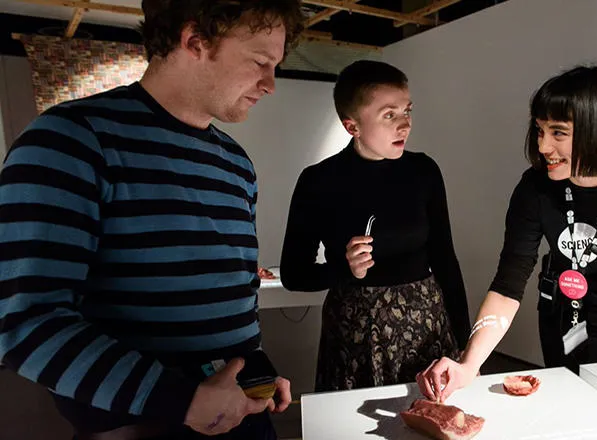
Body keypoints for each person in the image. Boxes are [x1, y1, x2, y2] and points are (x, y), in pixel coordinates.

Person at [0, 1, 304, 439]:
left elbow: (232, 301)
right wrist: (183, 400)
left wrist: (255, 373)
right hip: (141, 426)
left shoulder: (236, 164)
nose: (270, 84)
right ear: (194, 40)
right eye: (260, 62)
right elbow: (28, 322)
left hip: (243, 421)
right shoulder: (69, 141)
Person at [417, 65, 597, 402]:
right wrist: (469, 364)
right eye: (540, 129)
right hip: (571, 307)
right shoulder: (534, 189)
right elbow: (507, 286)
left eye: (558, 132)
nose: (543, 146)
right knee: (573, 400)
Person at [280, 60, 471, 392]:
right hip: (357, 338)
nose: (405, 125)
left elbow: (445, 260)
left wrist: (466, 348)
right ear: (352, 125)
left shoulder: (423, 171)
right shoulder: (319, 181)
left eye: (407, 111)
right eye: (389, 115)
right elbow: (293, 274)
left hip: (426, 328)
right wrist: (343, 268)